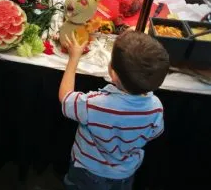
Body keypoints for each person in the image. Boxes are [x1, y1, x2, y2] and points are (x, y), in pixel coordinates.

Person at [59, 30, 169, 190]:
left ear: (113, 74)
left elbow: (66, 98)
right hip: (125, 174)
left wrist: (73, 58)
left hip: (87, 171)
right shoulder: (156, 106)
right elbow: (155, 133)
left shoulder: (96, 103)